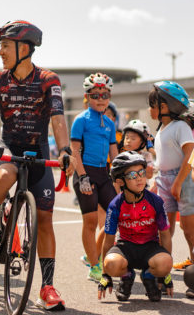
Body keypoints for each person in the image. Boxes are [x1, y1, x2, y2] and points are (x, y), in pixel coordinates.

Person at [0, 20, 74, 311]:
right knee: (6, 173)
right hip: (10, 146)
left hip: (38, 149)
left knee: (45, 219)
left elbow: (58, 118)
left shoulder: (48, 79)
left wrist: (64, 150)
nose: (0, 52)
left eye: (5, 46)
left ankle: (47, 287)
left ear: (24, 48)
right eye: (1, 46)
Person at [98, 151, 173, 302]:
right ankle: (127, 276)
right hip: (125, 247)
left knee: (165, 263)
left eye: (141, 173)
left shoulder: (156, 201)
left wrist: (165, 275)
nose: (139, 178)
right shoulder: (115, 205)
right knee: (111, 263)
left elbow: (165, 235)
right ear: (120, 181)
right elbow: (108, 240)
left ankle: (149, 276)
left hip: (150, 247)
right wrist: (105, 274)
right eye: (133, 175)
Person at [148, 81, 194, 297]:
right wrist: (156, 181)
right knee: (165, 230)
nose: (150, 109)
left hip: (182, 180)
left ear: (164, 107)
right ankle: (163, 276)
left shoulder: (180, 127)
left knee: (189, 231)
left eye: (152, 105)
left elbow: (190, 155)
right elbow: (162, 160)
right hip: (164, 180)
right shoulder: (161, 129)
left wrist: (178, 182)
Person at [70, 73, 118, 281]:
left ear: (109, 97)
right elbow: (74, 151)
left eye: (104, 95)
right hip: (85, 173)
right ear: (87, 97)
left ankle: (96, 256)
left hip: (103, 174)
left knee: (114, 217)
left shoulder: (109, 123)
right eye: (95, 95)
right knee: (90, 222)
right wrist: (82, 177)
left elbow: (114, 153)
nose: (100, 99)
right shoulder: (81, 120)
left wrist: (119, 175)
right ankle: (94, 266)